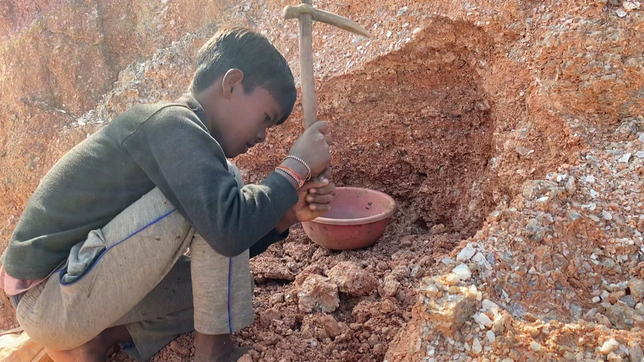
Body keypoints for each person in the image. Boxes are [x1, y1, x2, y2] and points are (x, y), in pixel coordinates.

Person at [0, 27, 335, 362]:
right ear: (231, 83)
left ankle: (96, 342)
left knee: (230, 292)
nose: (262, 136)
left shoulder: (186, 142)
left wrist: (286, 215)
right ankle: (213, 353)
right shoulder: (172, 124)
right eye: (265, 118)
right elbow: (226, 228)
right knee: (225, 185)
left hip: (74, 296)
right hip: (48, 299)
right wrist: (294, 168)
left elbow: (225, 246)